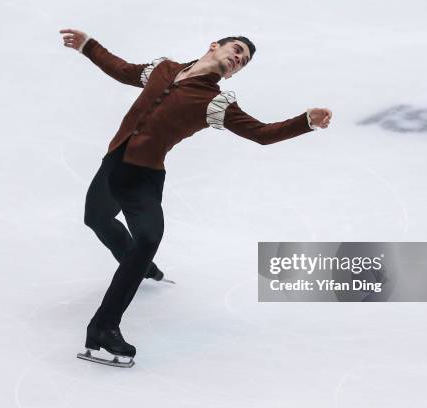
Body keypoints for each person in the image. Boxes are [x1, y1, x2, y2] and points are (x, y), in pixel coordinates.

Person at [60, 28, 332, 366]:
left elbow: (261, 134)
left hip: (143, 178)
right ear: (214, 46)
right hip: (112, 163)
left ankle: (104, 327)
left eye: (242, 62)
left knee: (146, 240)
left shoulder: (216, 103)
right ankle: (139, 266)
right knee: (96, 218)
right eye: (236, 50)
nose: (237, 59)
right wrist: (89, 46)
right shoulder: (164, 69)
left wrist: (304, 121)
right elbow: (123, 70)